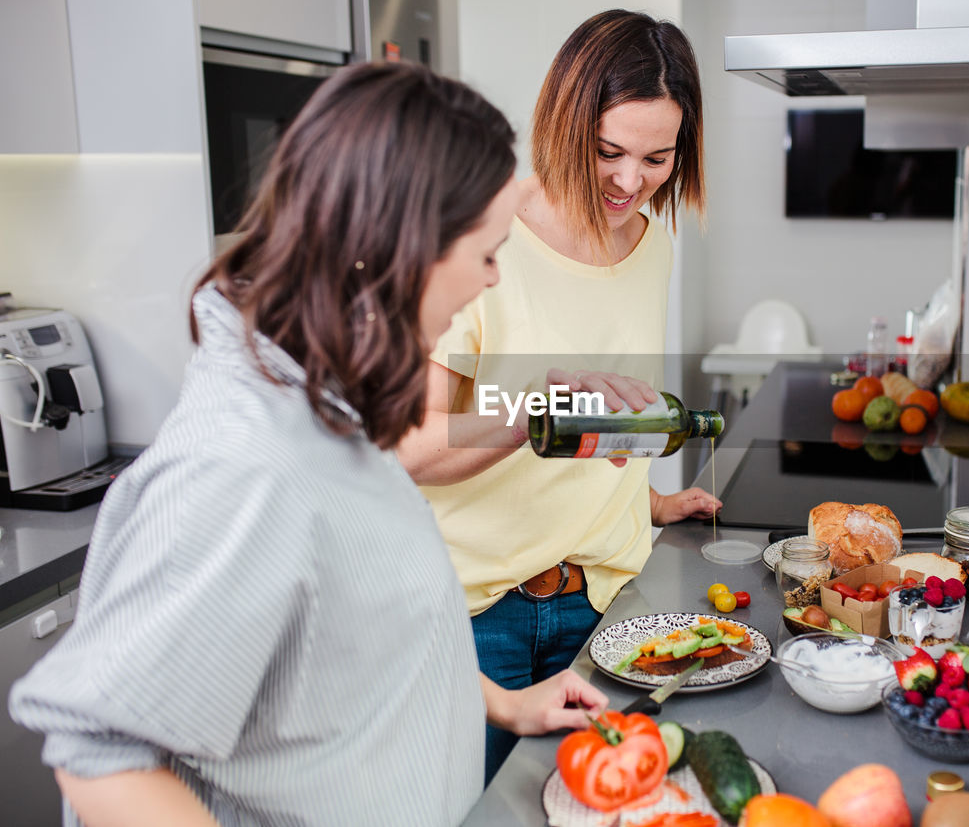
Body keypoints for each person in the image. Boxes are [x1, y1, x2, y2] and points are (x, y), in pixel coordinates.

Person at [8, 62, 606, 827]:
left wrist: (504, 704)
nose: (492, 279)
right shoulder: (247, 467)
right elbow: (98, 754)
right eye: (487, 252)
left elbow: (354, 635)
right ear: (404, 247)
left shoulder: (329, 418)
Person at [395, 9, 719, 782]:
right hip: (481, 616)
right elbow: (409, 448)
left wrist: (644, 498)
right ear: (565, 121)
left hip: (606, 598)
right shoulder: (484, 233)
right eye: (609, 151)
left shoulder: (652, 244)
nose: (630, 181)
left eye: (657, 158)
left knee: (596, 801)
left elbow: (604, 419)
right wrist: (528, 414)